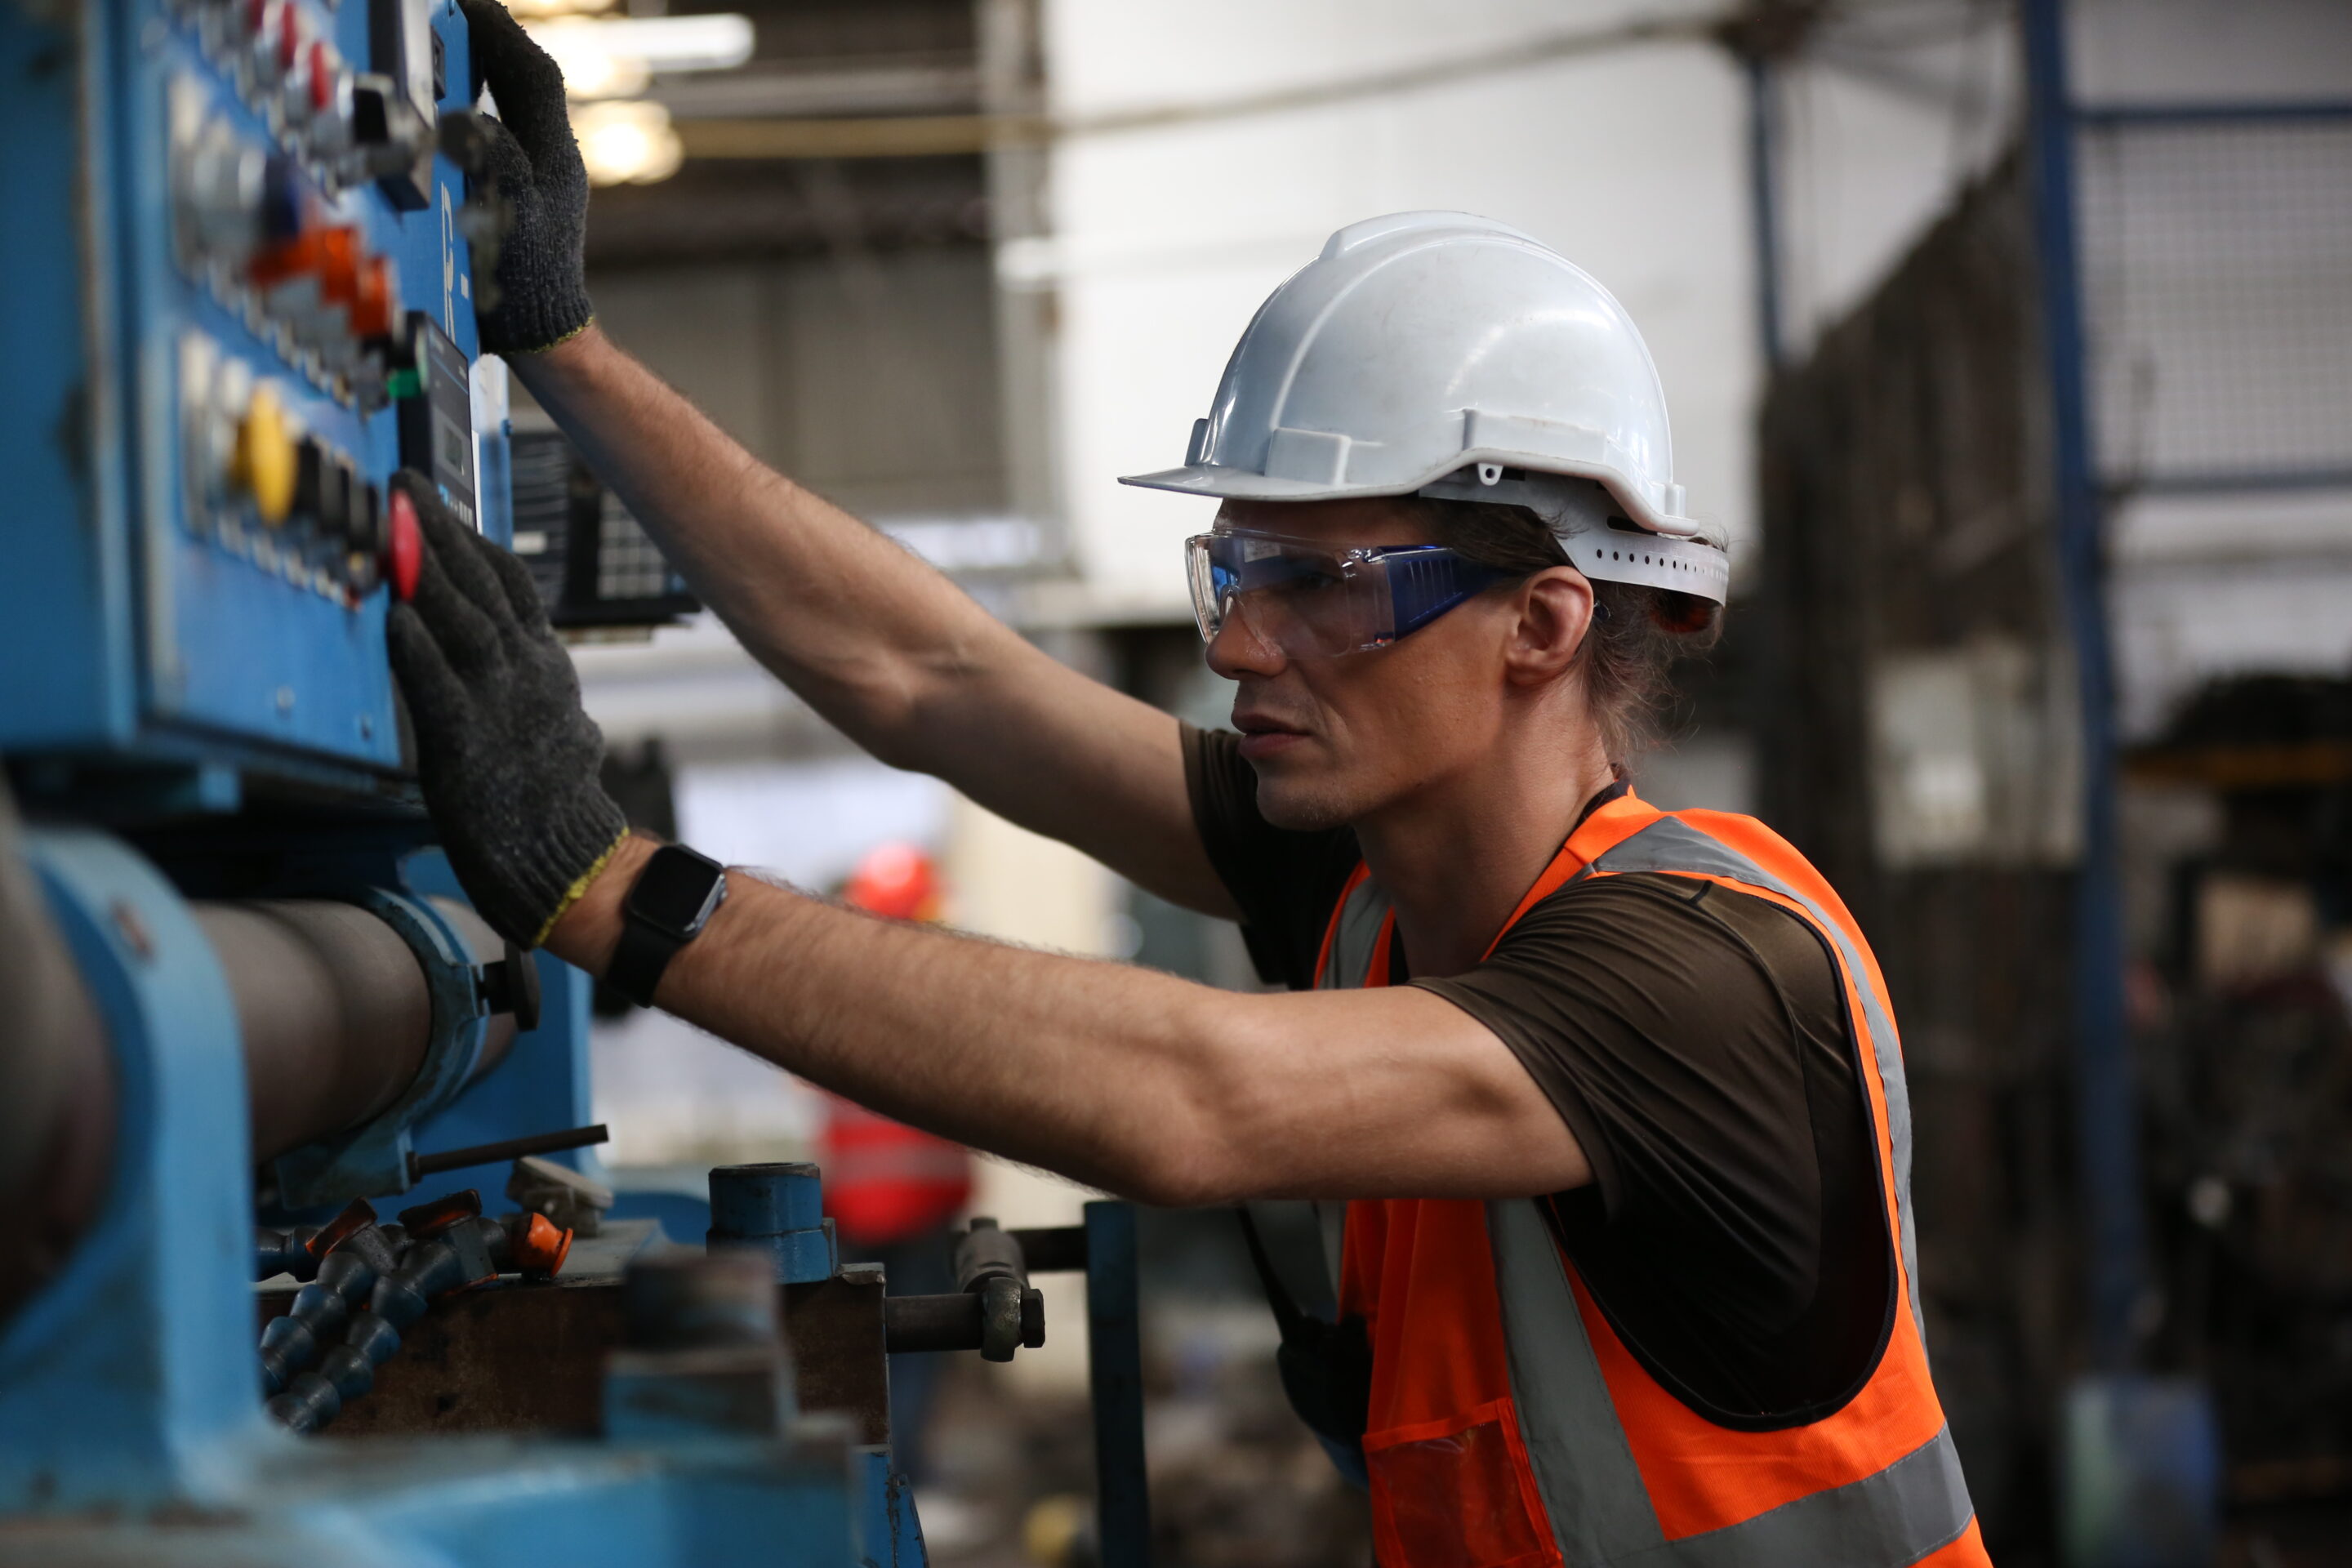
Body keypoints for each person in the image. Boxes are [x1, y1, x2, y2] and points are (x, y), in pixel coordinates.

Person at [400, 6, 1991, 1561]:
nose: (1236, 641)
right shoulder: (1367, 888)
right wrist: (565, 344)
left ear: (1543, 624)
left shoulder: (1705, 980)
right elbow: (933, 681)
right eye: (1234, 570)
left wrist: (608, 888)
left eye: (1320, 585)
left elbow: (1192, 1099)